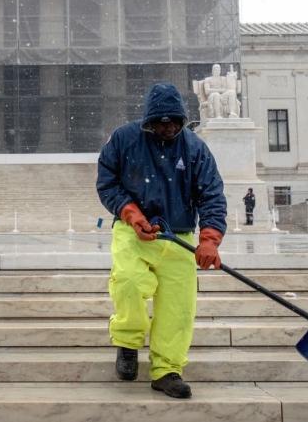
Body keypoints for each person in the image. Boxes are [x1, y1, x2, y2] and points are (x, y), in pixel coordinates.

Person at [97, 82, 227, 398]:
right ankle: (128, 342)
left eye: (173, 121)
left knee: (178, 308)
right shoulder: (125, 139)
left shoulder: (195, 148)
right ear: (149, 120)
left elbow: (211, 194)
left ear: (182, 120)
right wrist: (131, 213)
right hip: (134, 232)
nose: (167, 127)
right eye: (160, 121)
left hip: (179, 236)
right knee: (128, 282)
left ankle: (167, 369)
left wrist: (209, 238)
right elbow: (107, 182)